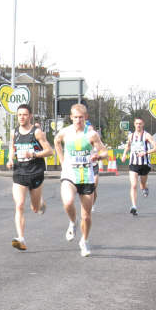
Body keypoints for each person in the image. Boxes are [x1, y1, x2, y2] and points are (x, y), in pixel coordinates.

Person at [54, 103, 108, 257]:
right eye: (75, 117)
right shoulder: (64, 132)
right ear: (71, 117)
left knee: (87, 216)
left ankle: (84, 240)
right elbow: (56, 142)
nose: (78, 120)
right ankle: (72, 222)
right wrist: (62, 160)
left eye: (81, 117)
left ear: (86, 118)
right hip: (69, 174)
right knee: (68, 202)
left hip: (86, 176)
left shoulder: (91, 135)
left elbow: (105, 153)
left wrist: (98, 155)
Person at [6, 104, 53, 251]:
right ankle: (21, 238)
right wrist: (10, 159)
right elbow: (12, 147)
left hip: (35, 172)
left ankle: (40, 203)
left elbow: (49, 151)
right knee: (19, 205)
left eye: (25, 114)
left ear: (30, 116)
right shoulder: (14, 132)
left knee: (35, 208)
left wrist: (33, 154)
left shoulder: (37, 132)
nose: (21, 117)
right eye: (19, 114)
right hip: (19, 172)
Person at [120, 117, 156, 215]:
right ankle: (134, 206)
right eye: (137, 123)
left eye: (140, 123)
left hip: (144, 163)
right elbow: (128, 146)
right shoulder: (131, 136)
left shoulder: (147, 135)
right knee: (133, 185)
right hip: (133, 163)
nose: (138, 125)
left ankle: (145, 188)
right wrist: (124, 154)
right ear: (134, 124)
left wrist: (145, 152)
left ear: (143, 124)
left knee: (142, 184)